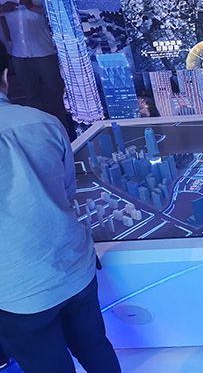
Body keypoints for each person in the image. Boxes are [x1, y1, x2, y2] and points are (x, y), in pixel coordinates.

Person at [0, 40, 121, 373]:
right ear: (6, 76)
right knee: (96, 348)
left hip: (16, 293)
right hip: (75, 267)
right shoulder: (44, 122)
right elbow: (67, 190)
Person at [0, 0, 67, 126]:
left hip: (44, 52)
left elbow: (57, 14)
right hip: (19, 54)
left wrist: (31, 6)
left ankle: (65, 126)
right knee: (31, 95)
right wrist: (2, 8)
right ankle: (40, 126)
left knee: (57, 92)